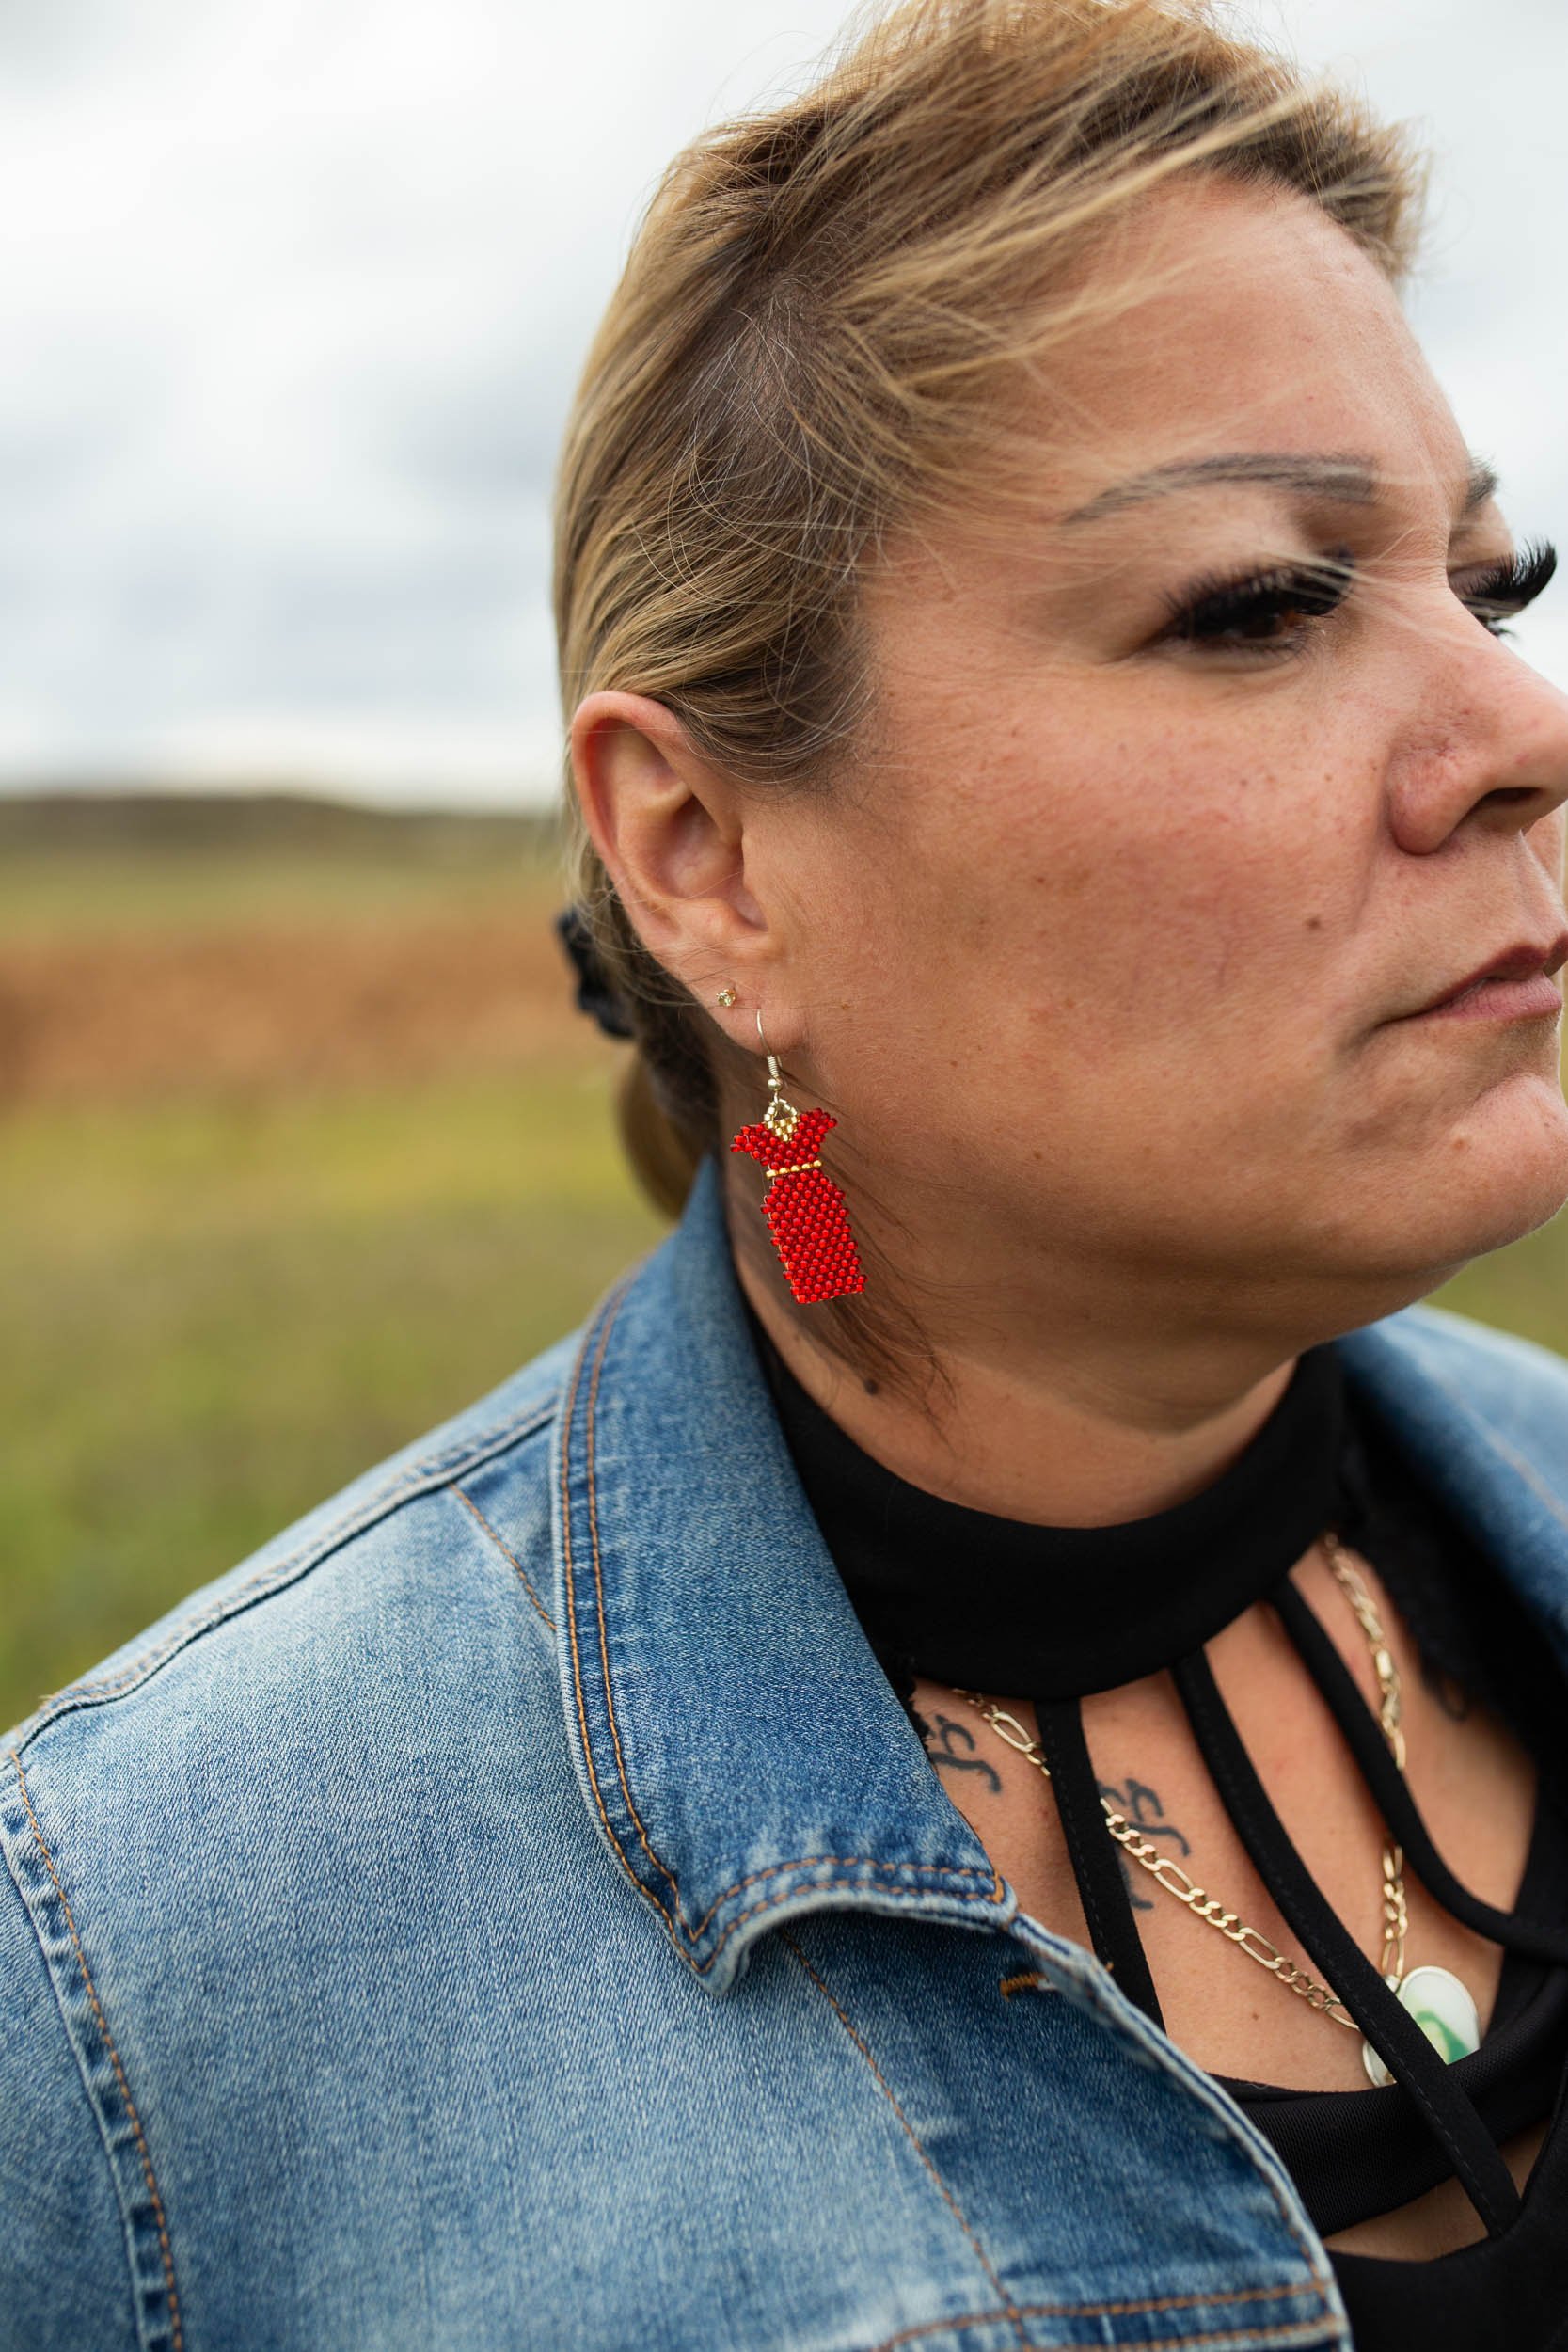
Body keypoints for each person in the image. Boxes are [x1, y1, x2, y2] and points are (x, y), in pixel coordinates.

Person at [6, 1, 1568, 2344]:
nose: (1525, 728)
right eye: (1260, 600)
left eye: (1493, 582)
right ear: (708, 856)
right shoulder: (143, 1968)